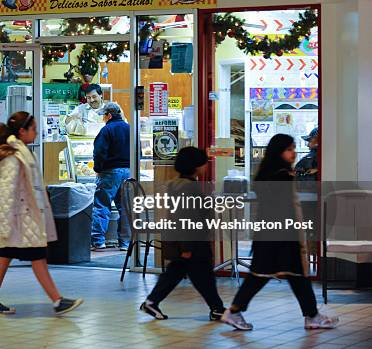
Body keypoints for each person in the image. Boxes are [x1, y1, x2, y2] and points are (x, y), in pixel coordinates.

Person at [222, 134, 338, 330]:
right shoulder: (281, 175)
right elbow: (284, 207)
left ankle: (311, 315)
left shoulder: (268, 173)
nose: (293, 153)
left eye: (293, 148)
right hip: (281, 234)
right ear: (279, 151)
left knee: (288, 275)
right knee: (271, 274)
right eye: (289, 149)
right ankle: (234, 311)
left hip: (271, 233)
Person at [0, 111, 83, 315]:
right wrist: (4, 223)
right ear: (22, 131)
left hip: (23, 217)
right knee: (36, 257)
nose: (36, 133)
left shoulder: (20, 152)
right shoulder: (14, 156)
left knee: (7, 255)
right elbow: (7, 194)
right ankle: (57, 300)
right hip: (22, 218)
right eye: (34, 129)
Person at [140, 147, 226, 321]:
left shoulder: (178, 184)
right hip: (192, 241)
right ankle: (216, 308)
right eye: (204, 163)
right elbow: (187, 218)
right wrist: (187, 246)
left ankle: (152, 302)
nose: (206, 167)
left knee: (180, 273)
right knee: (202, 275)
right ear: (196, 166)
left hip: (185, 240)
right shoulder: (189, 188)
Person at [91, 102, 131, 251]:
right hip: (128, 171)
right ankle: (125, 243)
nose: (103, 119)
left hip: (109, 172)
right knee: (125, 208)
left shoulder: (106, 130)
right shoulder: (130, 128)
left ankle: (98, 241)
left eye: (103, 115)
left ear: (109, 115)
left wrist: (98, 169)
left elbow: (100, 152)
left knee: (102, 205)